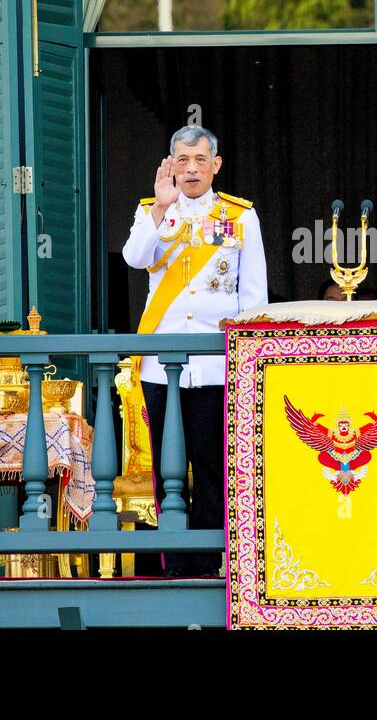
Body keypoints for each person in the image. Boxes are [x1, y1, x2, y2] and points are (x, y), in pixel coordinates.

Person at [123, 125, 267, 576]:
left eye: (200, 160)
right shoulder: (152, 211)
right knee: (167, 473)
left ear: (215, 164)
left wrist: (246, 362)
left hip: (215, 367)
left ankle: (206, 566)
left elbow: (254, 298)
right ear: (170, 163)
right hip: (160, 367)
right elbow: (134, 257)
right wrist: (161, 206)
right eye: (182, 160)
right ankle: (175, 565)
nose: (190, 169)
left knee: (211, 467)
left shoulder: (241, 217)